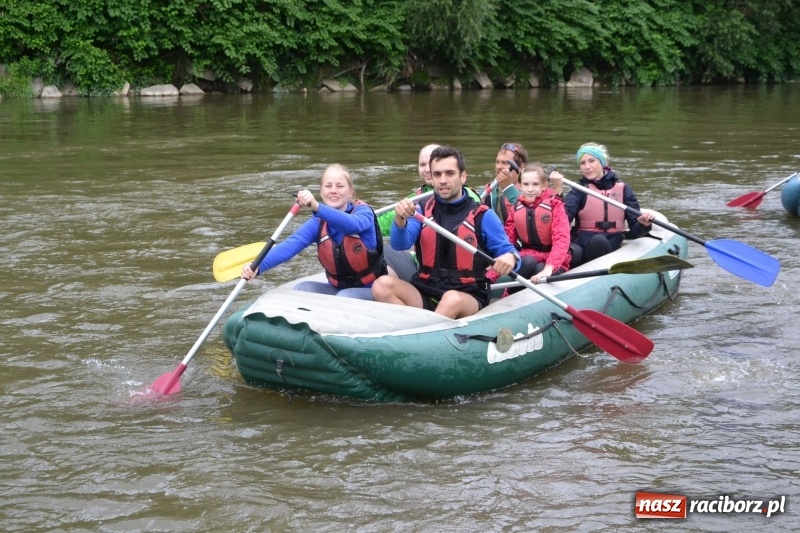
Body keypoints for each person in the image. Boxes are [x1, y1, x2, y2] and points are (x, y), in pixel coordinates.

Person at [371, 146, 521, 319]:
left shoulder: (483, 215)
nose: (443, 180)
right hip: (425, 290)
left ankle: (424, 336)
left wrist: (510, 258)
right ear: (432, 179)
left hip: (466, 295)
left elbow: (511, 254)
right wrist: (399, 219)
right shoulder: (421, 211)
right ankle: (416, 329)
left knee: (451, 299)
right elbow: (399, 244)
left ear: (462, 176)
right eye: (437, 174)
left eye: (449, 173)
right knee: (381, 286)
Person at [241, 163, 386, 299]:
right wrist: (258, 266)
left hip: (370, 287)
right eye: (328, 186)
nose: (333, 190)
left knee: (345, 297)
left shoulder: (363, 213)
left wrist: (316, 207)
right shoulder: (317, 224)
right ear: (321, 192)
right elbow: (290, 246)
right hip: (337, 288)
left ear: (350, 192)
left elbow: (352, 226)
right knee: (303, 288)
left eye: (340, 186)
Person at [380, 144, 482, 282]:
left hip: (462, 281)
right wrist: (365, 217)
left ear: (462, 176)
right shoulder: (420, 202)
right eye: (423, 165)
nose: (427, 169)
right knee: (379, 251)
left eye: (449, 173)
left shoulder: (471, 200)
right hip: (427, 274)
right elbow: (393, 234)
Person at [549, 142, 654, 265]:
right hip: (583, 244)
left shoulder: (624, 189)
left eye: (591, 161)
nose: (587, 167)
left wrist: (643, 224)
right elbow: (562, 221)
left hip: (611, 245)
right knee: (583, 248)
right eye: (582, 163)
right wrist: (558, 191)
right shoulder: (579, 190)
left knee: (599, 241)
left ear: (602, 162)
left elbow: (637, 232)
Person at [503, 165, 572, 285]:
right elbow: (508, 240)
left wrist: (549, 268)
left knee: (540, 268)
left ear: (544, 186)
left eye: (535, 184)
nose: (530, 189)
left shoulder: (555, 205)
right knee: (528, 262)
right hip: (528, 255)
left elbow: (561, 239)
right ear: (519, 186)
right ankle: (510, 295)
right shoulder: (516, 208)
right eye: (526, 184)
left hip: (554, 258)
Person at [483, 142, 528, 222]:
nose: (499, 167)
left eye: (505, 163)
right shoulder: (488, 190)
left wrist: (508, 188)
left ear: (521, 167)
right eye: (497, 162)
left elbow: (529, 216)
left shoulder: (530, 191)